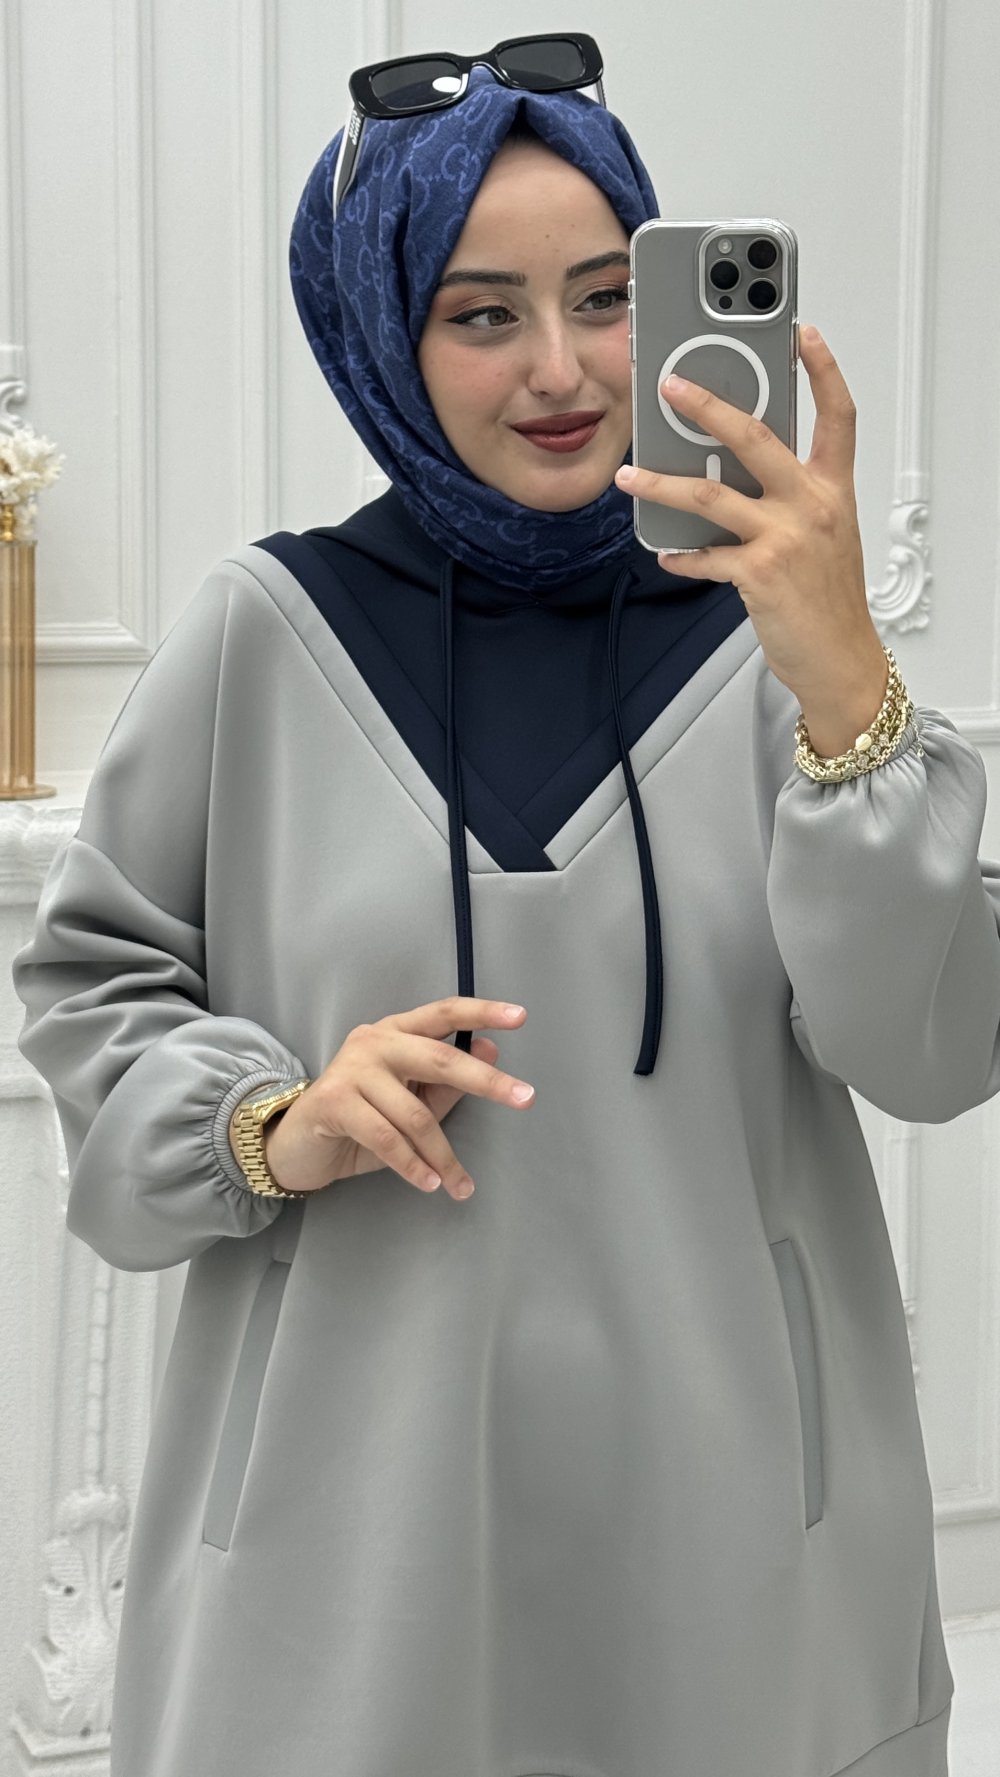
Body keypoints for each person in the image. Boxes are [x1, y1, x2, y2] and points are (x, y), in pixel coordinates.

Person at [11, 36, 990, 1777]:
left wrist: (848, 679)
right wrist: (270, 1123)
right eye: (482, 314)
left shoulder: (777, 646)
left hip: (734, 1535)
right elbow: (94, 990)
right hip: (343, 1546)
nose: (560, 368)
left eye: (607, 298)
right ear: (383, 329)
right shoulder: (265, 633)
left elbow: (927, 1050)